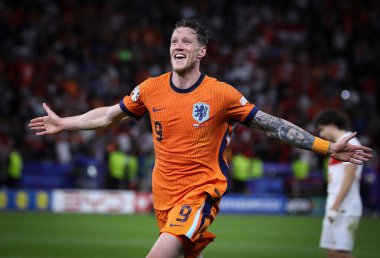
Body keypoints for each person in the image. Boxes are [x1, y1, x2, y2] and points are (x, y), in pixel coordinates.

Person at [29, 18, 372, 258]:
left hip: (199, 193)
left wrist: (326, 146)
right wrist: (66, 123)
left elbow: (270, 124)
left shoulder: (220, 94)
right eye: (174, 41)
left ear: (201, 52)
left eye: (186, 41)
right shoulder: (150, 88)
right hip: (163, 197)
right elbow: (106, 115)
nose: (178, 45)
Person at [314, 109, 364, 258]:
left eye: (322, 129)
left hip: (345, 207)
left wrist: (335, 206)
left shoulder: (350, 142)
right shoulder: (337, 146)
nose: (322, 135)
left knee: (341, 254)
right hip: (338, 206)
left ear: (332, 125)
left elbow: (349, 177)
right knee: (332, 253)